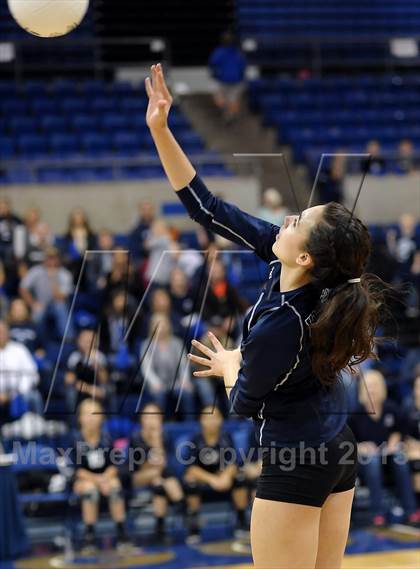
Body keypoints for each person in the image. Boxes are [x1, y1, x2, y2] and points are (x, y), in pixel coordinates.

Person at [145, 63, 396, 568]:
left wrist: (231, 364)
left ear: (305, 256)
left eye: (299, 220)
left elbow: (243, 401)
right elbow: (207, 207)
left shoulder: (286, 320)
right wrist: (161, 129)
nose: (287, 218)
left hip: (297, 460)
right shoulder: (296, 268)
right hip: (334, 446)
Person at [348, 370, 418, 526]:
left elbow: (402, 429)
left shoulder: (391, 408)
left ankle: (411, 511)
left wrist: (395, 440)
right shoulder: (355, 414)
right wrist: (361, 447)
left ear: (381, 387)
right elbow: (348, 442)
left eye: (375, 385)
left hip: (388, 456)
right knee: (372, 461)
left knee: (400, 459)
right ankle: (377, 514)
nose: (371, 389)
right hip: (366, 461)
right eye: (368, 386)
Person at [70, 398, 131, 553]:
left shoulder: (107, 438)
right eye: (86, 414)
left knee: (115, 486)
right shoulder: (74, 440)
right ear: (79, 418)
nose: (91, 418)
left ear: (102, 417)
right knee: (90, 490)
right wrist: (98, 481)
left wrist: (105, 478)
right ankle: (89, 536)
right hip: (84, 481)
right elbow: (76, 470)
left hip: (105, 478)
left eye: (94, 414)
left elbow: (115, 465)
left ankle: (122, 533)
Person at [183, 405, 249, 543]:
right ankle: (194, 528)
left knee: (240, 478)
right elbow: (191, 468)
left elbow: (233, 463)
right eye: (207, 417)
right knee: (190, 482)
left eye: (215, 417)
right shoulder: (194, 439)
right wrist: (213, 480)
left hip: (222, 478)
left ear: (221, 420)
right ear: (201, 420)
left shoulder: (226, 437)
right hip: (204, 479)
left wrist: (225, 477)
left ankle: (241, 522)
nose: (212, 421)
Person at [130, 402, 185, 544]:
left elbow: (167, 463)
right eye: (148, 416)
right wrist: (155, 441)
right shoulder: (136, 438)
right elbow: (143, 467)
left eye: (155, 416)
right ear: (142, 419)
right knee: (159, 476)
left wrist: (157, 440)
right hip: (138, 477)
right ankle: (180, 503)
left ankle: (161, 529)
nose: (151, 420)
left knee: (159, 484)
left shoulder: (165, 436)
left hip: (159, 477)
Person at [19, 246, 74, 342]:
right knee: (38, 313)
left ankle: (68, 339)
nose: (51, 260)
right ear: (45, 258)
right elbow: (23, 288)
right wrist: (33, 303)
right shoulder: (36, 270)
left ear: (58, 259)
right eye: (49, 257)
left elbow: (60, 297)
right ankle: (36, 340)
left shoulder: (65, 274)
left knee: (60, 307)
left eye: (54, 257)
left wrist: (53, 278)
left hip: (57, 304)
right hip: (40, 304)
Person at [0, 320, 42, 426]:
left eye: (3, 332)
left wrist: (17, 392)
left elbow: (32, 374)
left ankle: (39, 432)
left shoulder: (20, 349)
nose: (1, 335)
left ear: (8, 333)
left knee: (34, 397)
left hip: (20, 392)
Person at [208, 31, 247, 125]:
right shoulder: (238, 53)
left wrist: (216, 74)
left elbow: (212, 65)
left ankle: (227, 112)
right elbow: (243, 67)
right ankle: (229, 114)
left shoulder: (219, 52)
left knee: (221, 96)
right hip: (234, 80)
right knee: (232, 99)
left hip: (224, 80)